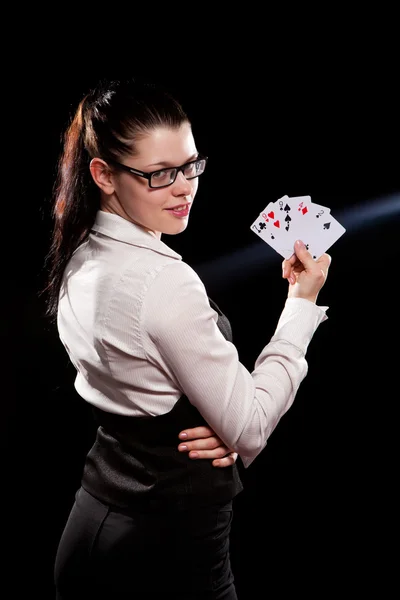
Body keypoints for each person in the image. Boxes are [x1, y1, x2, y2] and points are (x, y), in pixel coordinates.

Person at [45, 77, 331, 600]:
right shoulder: (162, 281)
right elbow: (249, 428)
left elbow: (131, 385)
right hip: (167, 550)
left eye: (190, 164)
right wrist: (302, 305)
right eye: (159, 174)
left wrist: (201, 421)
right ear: (104, 174)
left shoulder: (79, 252)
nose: (184, 187)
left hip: (91, 528)